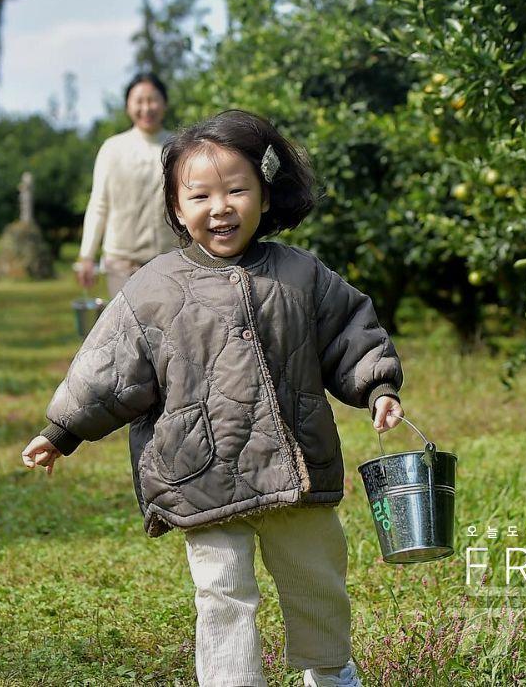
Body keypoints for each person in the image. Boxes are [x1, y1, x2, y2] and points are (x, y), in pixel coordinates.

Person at [22, 110, 405, 687]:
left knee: (317, 577)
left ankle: (330, 673)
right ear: (177, 208)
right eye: (200, 195)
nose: (220, 207)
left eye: (236, 190)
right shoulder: (152, 288)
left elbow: (350, 332)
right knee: (222, 592)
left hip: (294, 468)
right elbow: (109, 368)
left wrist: (377, 386)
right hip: (200, 471)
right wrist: (61, 432)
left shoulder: (301, 275)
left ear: (265, 197)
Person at [75, 72, 177, 298]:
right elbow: (99, 204)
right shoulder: (112, 149)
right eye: (139, 101)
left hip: (170, 260)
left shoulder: (178, 147)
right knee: (128, 330)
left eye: (152, 100)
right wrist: (87, 256)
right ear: (128, 106)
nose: (146, 108)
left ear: (164, 103)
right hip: (122, 262)